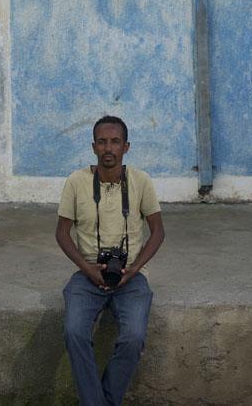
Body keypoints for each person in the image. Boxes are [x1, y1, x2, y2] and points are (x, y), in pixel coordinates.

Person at [55, 115, 165, 406]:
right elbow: (62, 233)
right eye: (102, 141)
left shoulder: (140, 181)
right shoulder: (76, 182)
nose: (108, 148)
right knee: (74, 332)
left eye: (115, 142)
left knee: (133, 337)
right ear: (93, 146)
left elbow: (158, 230)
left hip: (130, 276)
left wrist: (135, 268)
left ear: (126, 147)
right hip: (87, 274)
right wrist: (86, 268)